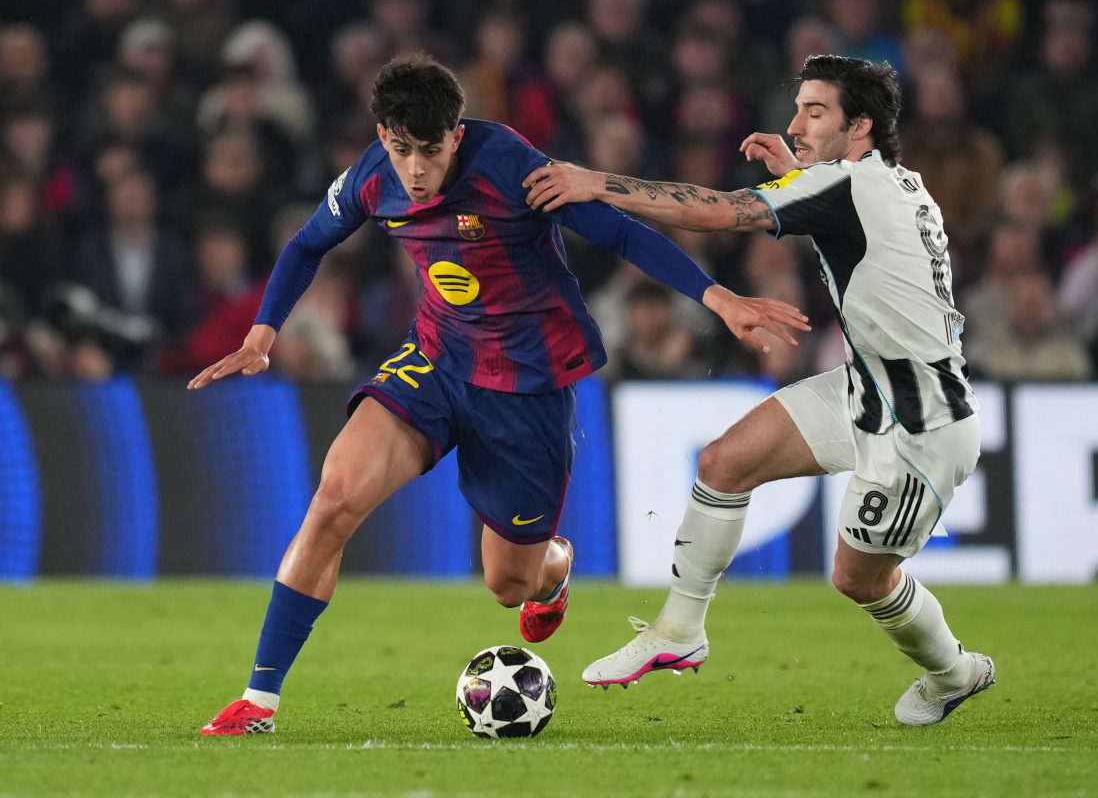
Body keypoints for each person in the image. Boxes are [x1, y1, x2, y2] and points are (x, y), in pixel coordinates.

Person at [190, 55, 807, 736]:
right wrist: (262, 334)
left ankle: (555, 566)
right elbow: (308, 244)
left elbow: (619, 230)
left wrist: (718, 298)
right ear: (382, 135)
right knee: (334, 499)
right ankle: (260, 700)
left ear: (456, 136)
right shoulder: (371, 176)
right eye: (401, 150)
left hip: (527, 387)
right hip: (435, 359)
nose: (415, 169)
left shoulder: (513, 167)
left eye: (429, 151)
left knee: (508, 584)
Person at [525, 54, 994, 726]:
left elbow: (719, 211)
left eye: (816, 111)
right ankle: (679, 630)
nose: (796, 122)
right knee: (723, 462)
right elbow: (852, 222)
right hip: (869, 389)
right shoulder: (893, 183)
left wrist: (591, 181)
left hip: (921, 424)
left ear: (859, 125)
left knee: (859, 579)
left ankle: (954, 671)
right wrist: (798, 175)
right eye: (798, 106)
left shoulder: (845, 187)